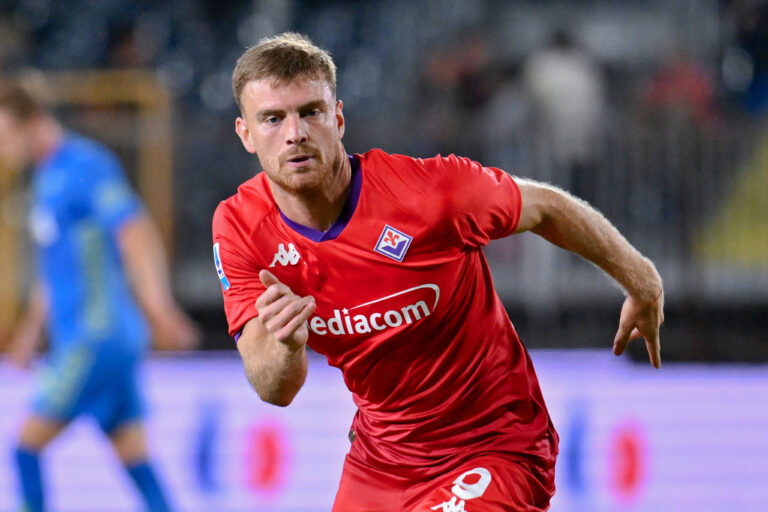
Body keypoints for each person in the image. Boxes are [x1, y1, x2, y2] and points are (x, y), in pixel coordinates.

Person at [212, 33, 663, 512]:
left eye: (311, 112)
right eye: (273, 119)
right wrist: (285, 345)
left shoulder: (429, 195)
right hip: (381, 462)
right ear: (246, 133)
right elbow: (275, 389)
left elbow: (546, 208)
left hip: (495, 446)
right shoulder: (240, 228)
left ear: (338, 118)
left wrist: (642, 281)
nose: (295, 133)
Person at [0, 80, 199, 512]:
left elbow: (135, 230)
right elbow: (54, 272)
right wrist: (30, 333)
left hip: (96, 337)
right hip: (96, 339)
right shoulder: (46, 179)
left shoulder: (84, 164)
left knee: (25, 449)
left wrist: (158, 308)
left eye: (2, 134)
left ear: (28, 122)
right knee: (134, 456)